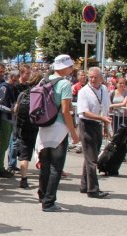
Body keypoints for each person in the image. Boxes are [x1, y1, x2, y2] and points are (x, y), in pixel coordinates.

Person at [36, 54, 79, 212]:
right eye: (70, 66)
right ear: (65, 67)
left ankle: (42, 195)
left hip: (43, 126)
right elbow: (66, 111)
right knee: (56, 166)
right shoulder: (65, 84)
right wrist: (74, 133)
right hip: (58, 127)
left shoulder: (43, 81)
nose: (72, 69)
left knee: (45, 164)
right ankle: (49, 201)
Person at [76, 67, 111, 198]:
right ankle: (93, 189)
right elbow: (84, 112)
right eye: (90, 77)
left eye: (95, 77)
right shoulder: (84, 91)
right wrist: (101, 118)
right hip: (87, 124)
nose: (93, 79)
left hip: (98, 123)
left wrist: (106, 125)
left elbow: (106, 108)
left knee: (92, 156)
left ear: (101, 78)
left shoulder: (104, 89)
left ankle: (85, 185)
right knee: (92, 159)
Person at [14, 72, 44, 188]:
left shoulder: (23, 93)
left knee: (24, 155)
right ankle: (43, 178)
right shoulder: (42, 94)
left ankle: (24, 179)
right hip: (38, 127)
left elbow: (16, 108)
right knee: (42, 153)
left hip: (24, 126)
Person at [0, 69, 20, 178]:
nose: (16, 82)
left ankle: (0, 167)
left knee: (5, 145)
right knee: (3, 145)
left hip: (10, 119)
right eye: (14, 80)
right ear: (11, 78)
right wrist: (10, 110)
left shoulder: (11, 88)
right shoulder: (4, 87)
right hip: (5, 119)